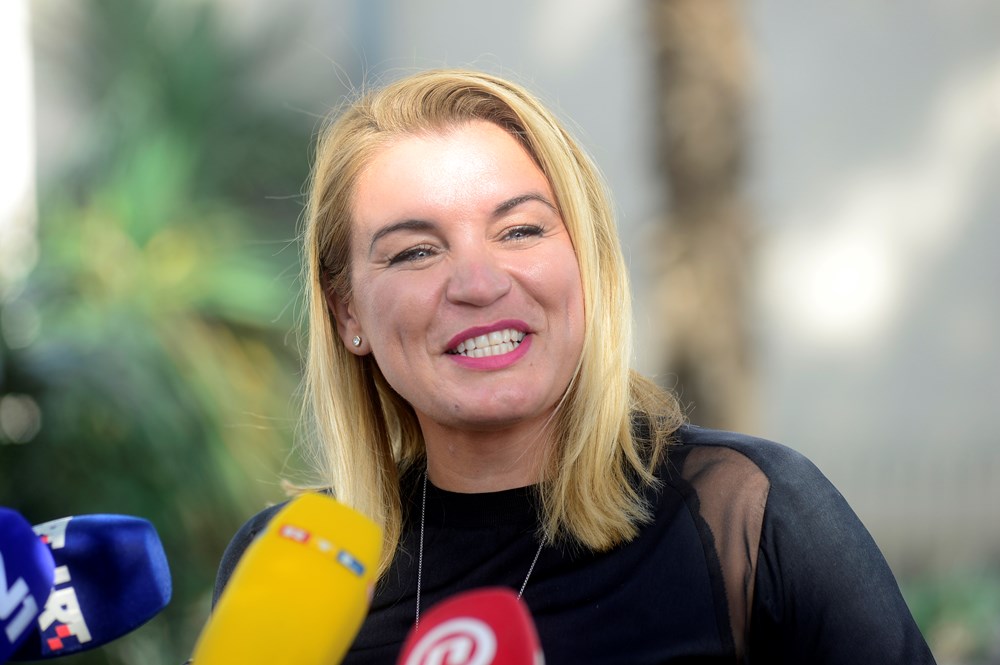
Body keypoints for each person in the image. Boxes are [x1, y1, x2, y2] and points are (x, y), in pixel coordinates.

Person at [212, 69, 936, 663]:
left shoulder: (751, 517)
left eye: (520, 230)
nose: (478, 283)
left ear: (586, 261)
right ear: (347, 313)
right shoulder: (296, 565)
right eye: (416, 251)